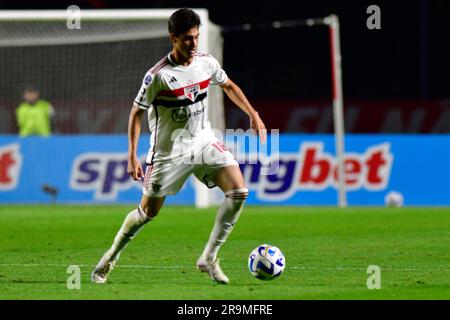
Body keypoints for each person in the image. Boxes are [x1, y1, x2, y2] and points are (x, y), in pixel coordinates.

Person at [91, 8, 266, 285]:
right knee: (148, 213)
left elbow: (228, 85)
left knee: (238, 191)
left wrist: (252, 113)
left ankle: (209, 258)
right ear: (173, 38)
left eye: (196, 37)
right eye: (187, 38)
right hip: (168, 153)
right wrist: (132, 155)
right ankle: (110, 257)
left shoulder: (206, 62)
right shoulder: (157, 76)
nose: (194, 43)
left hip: (203, 141)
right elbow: (136, 113)